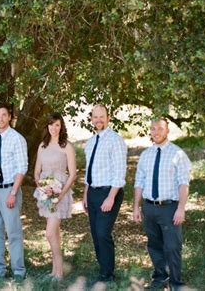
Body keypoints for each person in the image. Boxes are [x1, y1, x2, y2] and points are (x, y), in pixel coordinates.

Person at [133, 118, 191, 290]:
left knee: (173, 246)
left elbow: (183, 183)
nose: (156, 132)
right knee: (154, 244)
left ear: (167, 131)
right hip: (149, 207)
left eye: (160, 128)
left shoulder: (178, 154)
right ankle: (160, 276)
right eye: (153, 129)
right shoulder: (145, 155)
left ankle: (176, 282)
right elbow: (139, 182)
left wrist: (181, 208)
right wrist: (136, 206)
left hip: (169, 207)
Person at [82, 104, 127, 283]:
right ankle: (103, 268)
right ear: (91, 119)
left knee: (102, 233)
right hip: (92, 192)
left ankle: (108, 275)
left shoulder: (115, 140)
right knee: (95, 233)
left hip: (109, 192)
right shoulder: (91, 141)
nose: (98, 120)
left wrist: (111, 197)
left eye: (102, 116)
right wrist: (85, 194)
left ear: (108, 118)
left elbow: (120, 171)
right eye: (95, 117)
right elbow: (88, 171)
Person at [33, 113, 76, 280]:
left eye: (57, 125)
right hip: (46, 193)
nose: (54, 128)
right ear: (47, 126)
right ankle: (56, 271)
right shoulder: (42, 146)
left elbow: (72, 174)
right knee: (55, 233)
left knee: (50, 233)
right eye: (51, 125)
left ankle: (58, 271)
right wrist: (43, 188)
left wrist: (60, 193)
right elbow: (37, 173)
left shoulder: (66, 146)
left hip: (60, 193)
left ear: (61, 127)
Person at [0, 103, 28, 281]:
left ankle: (18, 271)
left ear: (10, 116)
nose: (0, 119)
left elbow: (22, 167)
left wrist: (13, 192)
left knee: (13, 232)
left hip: (9, 190)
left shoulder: (17, 138)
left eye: (4, 115)